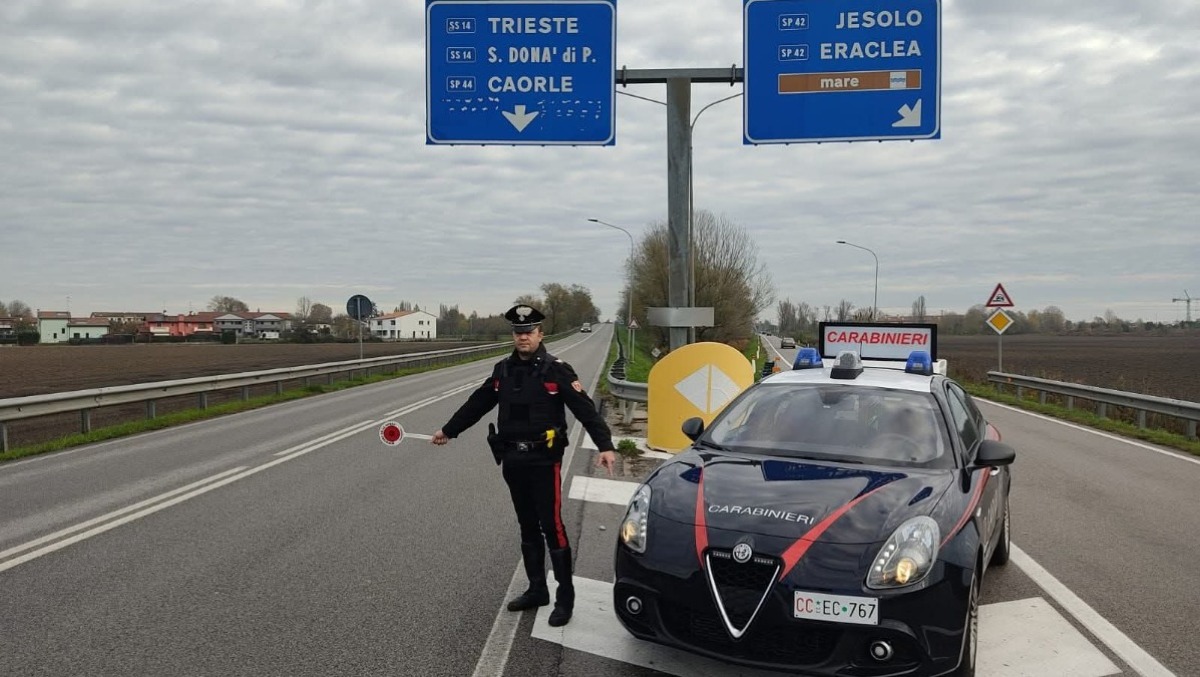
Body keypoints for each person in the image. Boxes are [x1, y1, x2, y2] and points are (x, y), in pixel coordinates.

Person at [431, 304, 617, 627]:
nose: (523, 337)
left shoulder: (557, 370)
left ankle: (565, 599)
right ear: (513, 335)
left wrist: (605, 446)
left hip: (544, 461)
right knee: (527, 525)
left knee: (552, 526)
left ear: (540, 334)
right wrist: (449, 430)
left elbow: (585, 409)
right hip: (513, 461)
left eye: (529, 331)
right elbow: (478, 403)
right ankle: (536, 590)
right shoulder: (503, 370)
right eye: (518, 332)